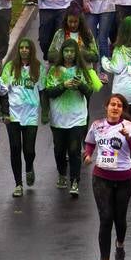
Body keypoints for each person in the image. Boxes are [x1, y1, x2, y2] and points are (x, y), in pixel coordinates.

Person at [84, 94, 131, 260]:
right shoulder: (97, 125)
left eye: (119, 105)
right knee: (106, 218)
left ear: (122, 110)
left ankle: (120, 243)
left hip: (124, 178)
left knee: (120, 219)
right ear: (106, 107)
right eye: (112, 105)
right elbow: (90, 142)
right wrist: (88, 155)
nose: (115, 108)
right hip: (101, 177)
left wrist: (127, 138)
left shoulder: (129, 127)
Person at [45, 39, 98, 196]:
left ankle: (75, 181)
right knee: (59, 150)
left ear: (76, 53)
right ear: (62, 53)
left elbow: (89, 92)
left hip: (77, 117)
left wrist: (80, 85)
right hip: (58, 118)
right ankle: (62, 174)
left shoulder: (82, 70)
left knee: (74, 150)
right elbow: (49, 92)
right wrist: (63, 86)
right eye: (66, 51)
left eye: (72, 51)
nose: (69, 54)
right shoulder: (54, 70)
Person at [0, 37, 45, 196]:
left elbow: (42, 91)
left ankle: (29, 167)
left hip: (31, 114)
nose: (24, 50)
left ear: (31, 50)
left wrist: (45, 112)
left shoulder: (38, 68)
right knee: (15, 148)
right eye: (21, 47)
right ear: (18, 50)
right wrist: (3, 112)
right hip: (13, 114)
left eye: (27, 47)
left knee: (29, 150)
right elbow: (2, 91)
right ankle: (18, 184)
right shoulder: (10, 67)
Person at [101, 17, 131, 121]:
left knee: (120, 124)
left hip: (122, 94)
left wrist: (104, 61)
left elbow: (116, 68)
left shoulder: (119, 50)